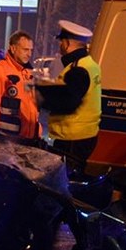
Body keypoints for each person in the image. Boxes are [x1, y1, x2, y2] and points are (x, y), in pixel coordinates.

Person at [37, 20, 102, 170]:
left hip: (72, 138)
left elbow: (68, 102)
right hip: (85, 136)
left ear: (66, 44)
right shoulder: (90, 64)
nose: (60, 46)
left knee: (64, 182)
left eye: (61, 42)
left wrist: (40, 98)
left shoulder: (78, 69)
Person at [0, 30, 41, 140]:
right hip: (7, 141)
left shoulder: (28, 74)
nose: (29, 54)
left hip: (29, 140)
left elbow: (32, 108)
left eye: (31, 50)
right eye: (25, 50)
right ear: (13, 48)